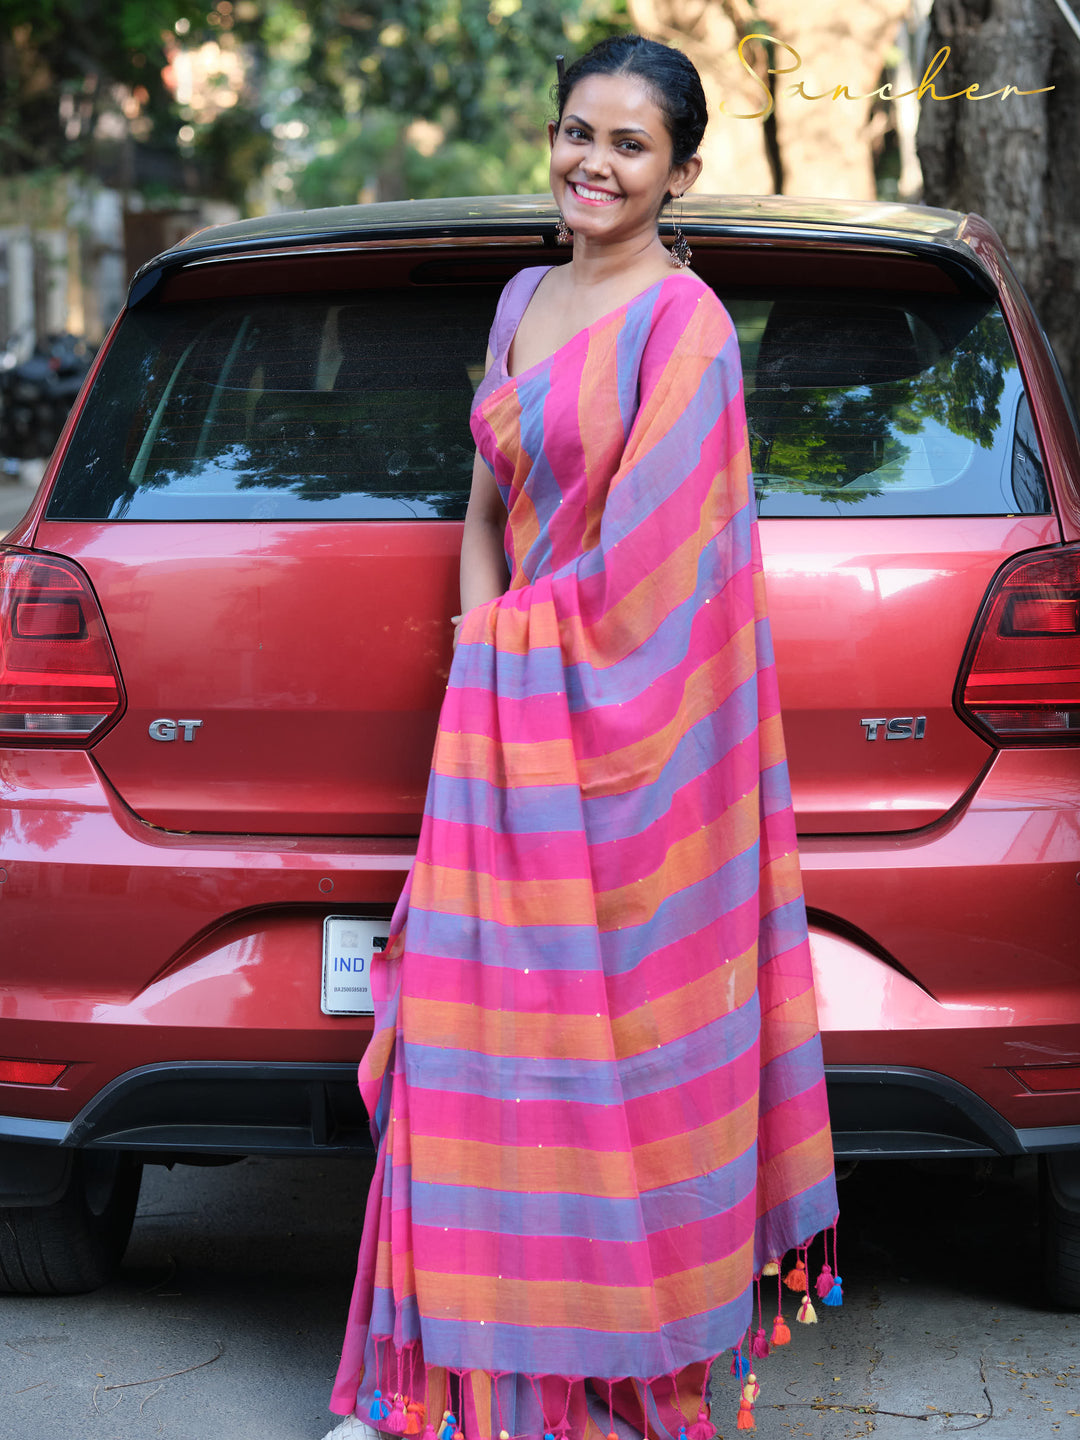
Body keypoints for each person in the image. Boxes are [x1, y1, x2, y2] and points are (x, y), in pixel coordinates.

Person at [322, 33, 837, 1440]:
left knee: (618, 1055)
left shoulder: (687, 330)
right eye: (576, 132)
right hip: (508, 729)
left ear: (680, 173)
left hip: (636, 758)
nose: (591, 163)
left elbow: (663, 581)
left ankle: (610, 1371)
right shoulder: (521, 297)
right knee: (467, 1036)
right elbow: (487, 508)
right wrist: (483, 658)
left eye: (628, 144)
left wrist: (530, 666)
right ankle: (431, 1385)